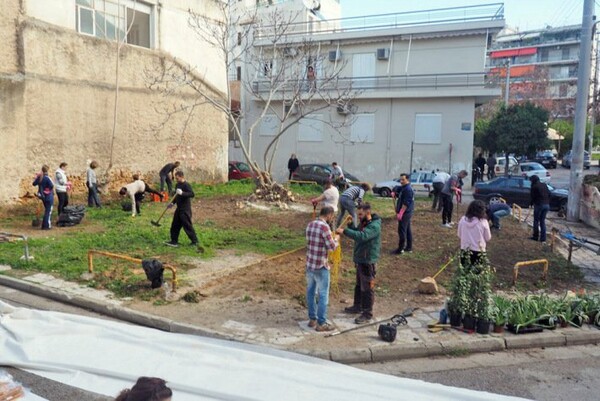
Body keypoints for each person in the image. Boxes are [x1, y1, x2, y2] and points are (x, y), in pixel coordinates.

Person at [337, 203, 381, 324]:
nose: (359, 216)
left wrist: (345, 231)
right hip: (361, 259)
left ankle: (367, 313)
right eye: (358, 214)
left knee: (367, 288)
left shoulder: (374, 226)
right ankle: (358, 306)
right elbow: (357, 231)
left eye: (360, 214)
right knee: (358, 285)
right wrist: (351, 225)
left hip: (368, 261)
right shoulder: (365, 222)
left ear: (368, 213)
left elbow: (362, 236)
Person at [305, 206, 339, 332]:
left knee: (310, 292)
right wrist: (337, 239)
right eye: (332, 216)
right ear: (329, 215)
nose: (332, 218)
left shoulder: (310, 224)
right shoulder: (325, 227)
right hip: (321, 265)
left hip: (310, 264)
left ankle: (312, 319)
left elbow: (310, 243)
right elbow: (331, 247)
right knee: (323, 294)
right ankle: (321, 323)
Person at [165, 171, 203, 252]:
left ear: (181, 176)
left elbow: (192, 194)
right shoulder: (177, 185)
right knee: (175, 225)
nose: (176, 179)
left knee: (187, 226)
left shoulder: (186, 185)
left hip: (185, 209)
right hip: (179, 209)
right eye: (175, 178)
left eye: (177, 178)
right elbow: (176, 196)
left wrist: (182, 193)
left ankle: (195, 241)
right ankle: (174, 241)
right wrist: (172, 203)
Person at [457, 200, 491, 266]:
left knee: (465, 272)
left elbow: (459, 234)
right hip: (479, 251)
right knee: (477, 273)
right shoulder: (483, 222)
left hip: (464, 250)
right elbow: (488, 238)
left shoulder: (463, 219)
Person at [391, 173, 414, 255]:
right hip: (406, 212)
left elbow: (406, 203)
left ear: (407, 180)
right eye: (400, 179)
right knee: (407, 229)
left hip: (405, 213)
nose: (401, 181)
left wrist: (400, 213)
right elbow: (397, 187)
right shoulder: (403, 187)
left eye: (403, 179)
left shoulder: (408, 189)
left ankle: (400, 249)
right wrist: (393, 191)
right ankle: (409, 247)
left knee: (401, 230)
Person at [32, 165, 54, 230]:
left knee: (47, 210)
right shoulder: (47, 178)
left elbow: (34, 184)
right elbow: (51, 185)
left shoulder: (40, 177)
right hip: (48, 196)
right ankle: (46, 226)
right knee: (48, 211)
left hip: (42, 196)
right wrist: (48, 190)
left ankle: (44, 225)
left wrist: (36, 178)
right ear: (48, 170)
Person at [530, 174, 550, 242]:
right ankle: (543, 239)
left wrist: (531, 204)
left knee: (536, 221)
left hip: (539, 205)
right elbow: (549, 194)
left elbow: (533, 197)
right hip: (546, 205)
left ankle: (535, 237)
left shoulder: (534, 186)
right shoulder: (544, 185)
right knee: (542, 221)